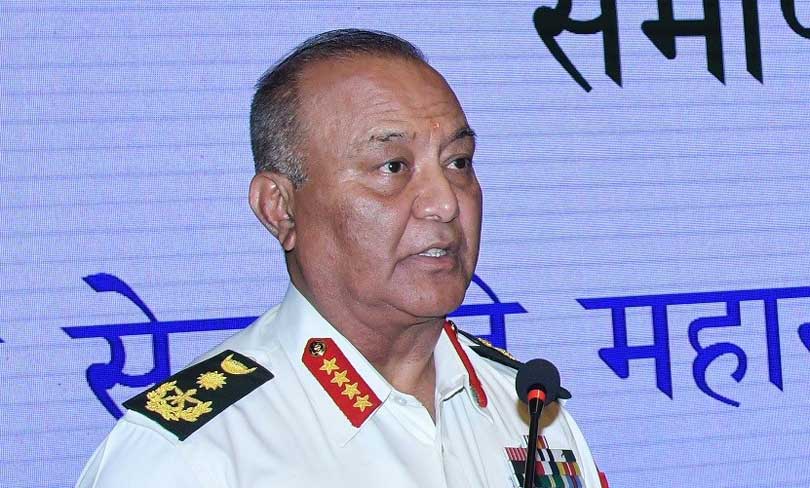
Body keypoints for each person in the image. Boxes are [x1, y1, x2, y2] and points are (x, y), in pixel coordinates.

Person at [76, 29, 607, 488]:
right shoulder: (195, 454)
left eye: (458, 162)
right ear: (280, 208)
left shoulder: (529, 408)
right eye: (393, 166)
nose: (444, 202)